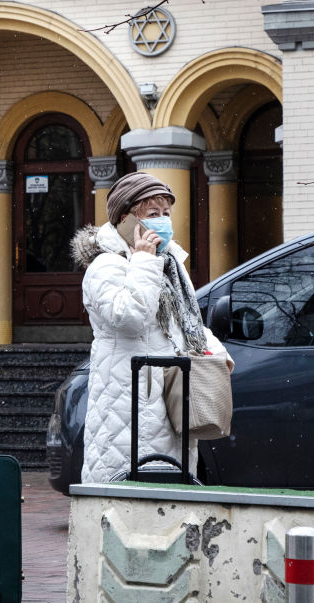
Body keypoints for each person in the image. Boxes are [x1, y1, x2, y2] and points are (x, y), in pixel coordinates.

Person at [70, 172, 231, 484]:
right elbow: (130, 317)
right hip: (129, 403)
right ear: (126, 218)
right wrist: (144, 262)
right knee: (131, 495)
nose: (163, 222)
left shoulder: (166, 263)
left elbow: (184, 322)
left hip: (168, 397)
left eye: (166, 213)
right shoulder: (106, 267)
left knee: (170, 500)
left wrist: (216, 354)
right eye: (152, 214)